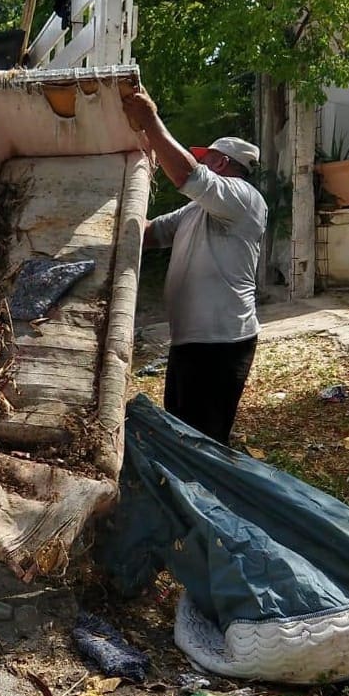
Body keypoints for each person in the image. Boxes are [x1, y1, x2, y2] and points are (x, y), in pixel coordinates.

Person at [122, 89, 268, 446]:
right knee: (182, 434)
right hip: (192, 341)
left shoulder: (244, 198)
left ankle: (205, 499)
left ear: (222, 163)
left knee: (202, 441)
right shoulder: (198, 211)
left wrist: (151, 122)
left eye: (208, 159)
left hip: (221, 342)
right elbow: (151, 234)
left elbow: (188, 175)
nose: (202, 163)